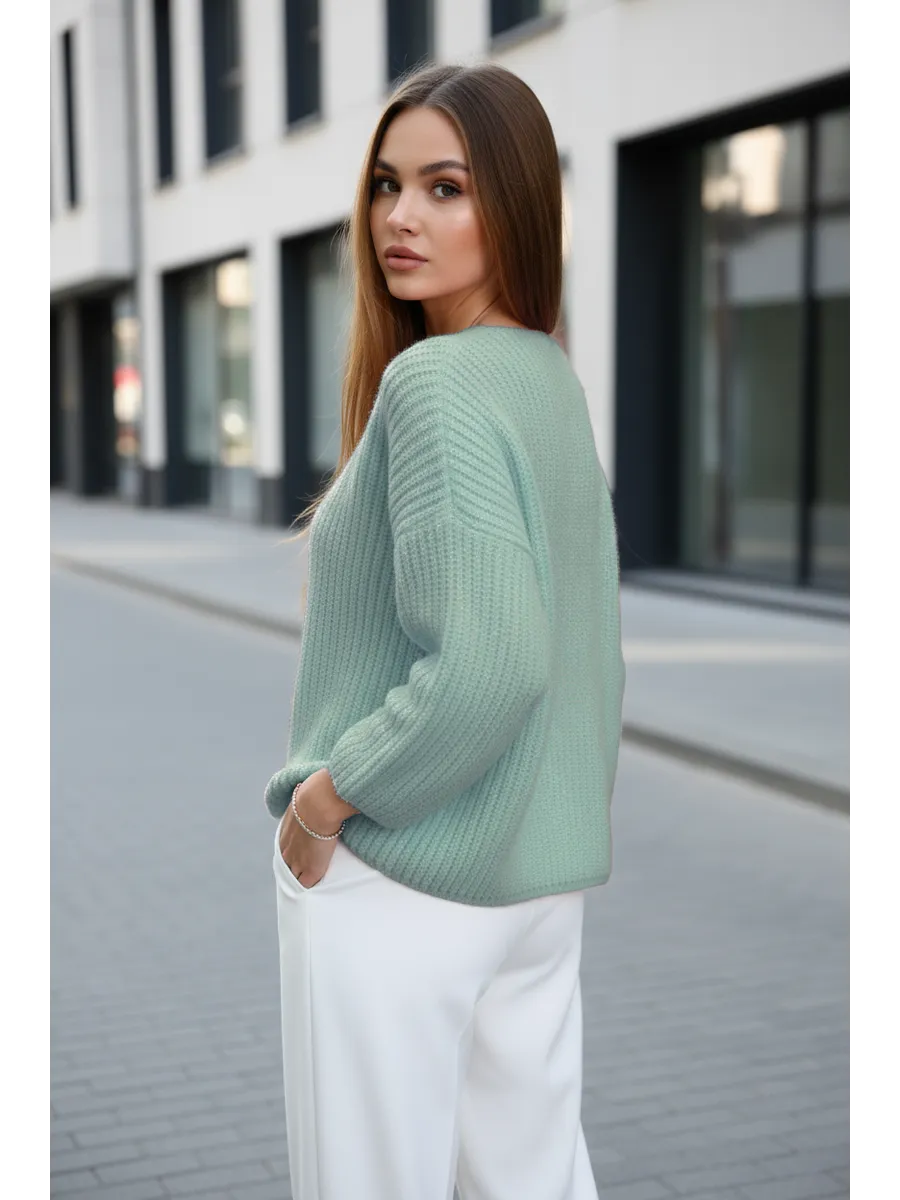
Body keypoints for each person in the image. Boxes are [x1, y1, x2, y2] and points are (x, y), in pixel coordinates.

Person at [265, 61, 625, 1200]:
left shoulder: (435, 385)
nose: (400, 218)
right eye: (386, 184)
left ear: (512, 204)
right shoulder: (546, 377)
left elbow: (492, 663)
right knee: (533, 1181)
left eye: (446, 187)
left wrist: (327, 800)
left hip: (404, 872)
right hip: (536, 885)